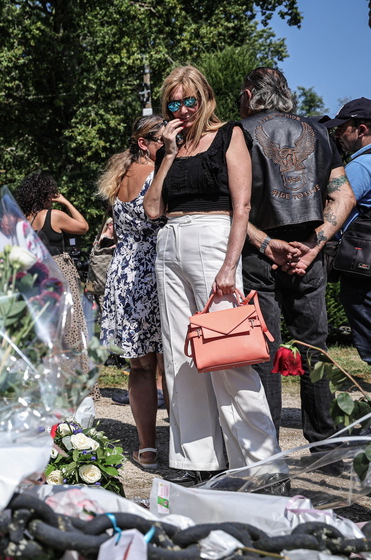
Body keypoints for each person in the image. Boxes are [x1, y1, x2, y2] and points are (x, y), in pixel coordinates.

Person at [143, 65, 280, 486]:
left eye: (189, 100)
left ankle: (262, 466)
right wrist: (166, 152)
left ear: (205, 99)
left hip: (214, 239)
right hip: (169, 241)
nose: (182, 109)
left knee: (227, 354)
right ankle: (197, 461)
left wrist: (228, 264)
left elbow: (242, 207)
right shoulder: (172, 146)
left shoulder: (229, 134)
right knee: (180, 355)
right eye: (173, 102)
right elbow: (152, 209)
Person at [238, 68, 355, 443]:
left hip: (259, 253)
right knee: (314, 347)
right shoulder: (320, 132)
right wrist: (313, 246)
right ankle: (324, 439)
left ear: (249, 94)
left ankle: (264, 444)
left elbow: (231, 207)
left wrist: (267, 245)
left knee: (264, 350)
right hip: (309, 253)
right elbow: (344, 196)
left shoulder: (239, 133)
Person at [97, 114, 167, 470]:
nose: (169, 142)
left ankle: (147, 447)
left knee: (140, 366)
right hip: (152, 268)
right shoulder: (157, 173)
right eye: (162, 137)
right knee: (169, 362)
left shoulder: (120, 176)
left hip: (123, 271)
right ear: (144, 142)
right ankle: (186, 442)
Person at [15, 172, 97, 396]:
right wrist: (64, 201)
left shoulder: (24, 219)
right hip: (60, 271)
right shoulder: (54, 215)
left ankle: (49, 382)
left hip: (37, 275)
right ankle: (75, 384)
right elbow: (83, 227)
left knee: (47, 330)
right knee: (71, 328)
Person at [324, 97, 371, 365]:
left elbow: (336, 204)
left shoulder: (361, 166)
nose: (338, 135)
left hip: (363, 273)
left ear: (361, 130)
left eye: (343, 129)